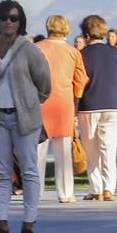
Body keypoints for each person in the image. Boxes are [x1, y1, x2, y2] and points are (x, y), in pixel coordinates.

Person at [0, 0, 52, 233]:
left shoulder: (29, 50)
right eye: (4, 18)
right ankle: (1, 224)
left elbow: (44, 84)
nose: (9, 22)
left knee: (29, 170)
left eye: (14, 18)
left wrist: (29, 102)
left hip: (25, 118)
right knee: (1, 173)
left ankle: (29, 224)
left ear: (21, 22)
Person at [36, 15, 89, 204]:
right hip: (63, 104)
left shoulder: (36, 48)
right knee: (64, 152)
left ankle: (35, 191)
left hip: (39, 104)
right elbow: (81, 80)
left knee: (37, 152)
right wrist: (76, 98)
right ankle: (65, 192)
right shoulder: (73, 52)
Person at [77, 14, 117, 202]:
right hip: (113, 106)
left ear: (86, 34)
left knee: (91, 150)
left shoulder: (81, 55)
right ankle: (109, 189)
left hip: (89, 106)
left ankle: (96, 188)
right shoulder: (116, 53)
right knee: (109, 148)